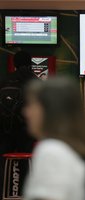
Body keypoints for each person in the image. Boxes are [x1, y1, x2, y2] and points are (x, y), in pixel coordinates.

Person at [23, 77, 85, 200]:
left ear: (49, 111)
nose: (26, 112)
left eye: (32, 105)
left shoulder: (51, 151)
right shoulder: (78, 148)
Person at [0, 51, 37, 197]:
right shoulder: (34, 81)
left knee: (3, 160)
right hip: (26, 131)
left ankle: (4, 192)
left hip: (4, 130)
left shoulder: (4, 80)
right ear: (30, 62)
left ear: (14, 63)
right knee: (25, 161)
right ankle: (25, 193)